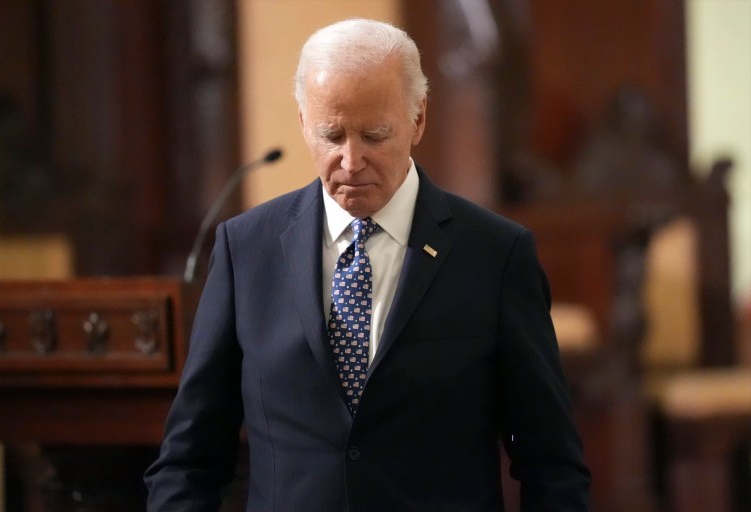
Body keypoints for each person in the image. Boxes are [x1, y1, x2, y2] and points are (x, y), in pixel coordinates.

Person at [145, 18, 590, 512]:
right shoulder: (245, 249)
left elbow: (551, 465)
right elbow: (188, 461)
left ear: (418, 118)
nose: (350, 161)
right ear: (302, 122)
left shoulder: (495, 254)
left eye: (374, 135)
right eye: (331, 135)